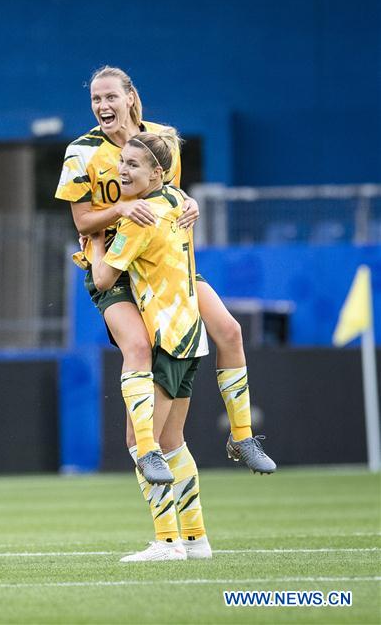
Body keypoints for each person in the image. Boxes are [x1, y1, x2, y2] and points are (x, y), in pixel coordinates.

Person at [54, 66, 276, 478]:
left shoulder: (162, 139)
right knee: (137, 349)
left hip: (164, 262)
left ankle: (242, 435)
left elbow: (165, 194)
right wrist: (119, 209)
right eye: (96, 100)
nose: (103, 106)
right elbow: (82, 222)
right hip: (116, 266)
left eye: (110, 97)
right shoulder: (80, 152)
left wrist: (189, 200)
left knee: (229, 330)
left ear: (130, 97)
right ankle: (148, 450)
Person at [90, 129, 210, 562]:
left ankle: (167, 541)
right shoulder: (178, 202)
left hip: (162, 337)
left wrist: (97, 241)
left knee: (140, 441)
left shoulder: (139, 219)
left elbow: (102, 280)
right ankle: (195, 539)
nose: (123, 169)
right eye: (122, 162)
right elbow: (184, 200)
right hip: (192, 336)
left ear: (157, 172)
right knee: (174, 441)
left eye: (133, 165)